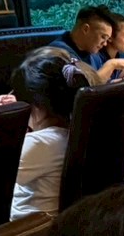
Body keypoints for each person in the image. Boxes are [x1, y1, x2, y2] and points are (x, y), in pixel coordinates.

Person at [9, 52, 83, 219]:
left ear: (35, 105)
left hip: (27, 230)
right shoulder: (74, 133)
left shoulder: (40, 143)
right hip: (58, 221)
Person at [48, 6, 124, 78]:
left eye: (107, 39)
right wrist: (111, 65)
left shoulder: (93, 55)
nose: (105, 44)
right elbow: (84, 85)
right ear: (85, 29)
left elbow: (102, 84)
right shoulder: (58, 53)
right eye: (103, 37)